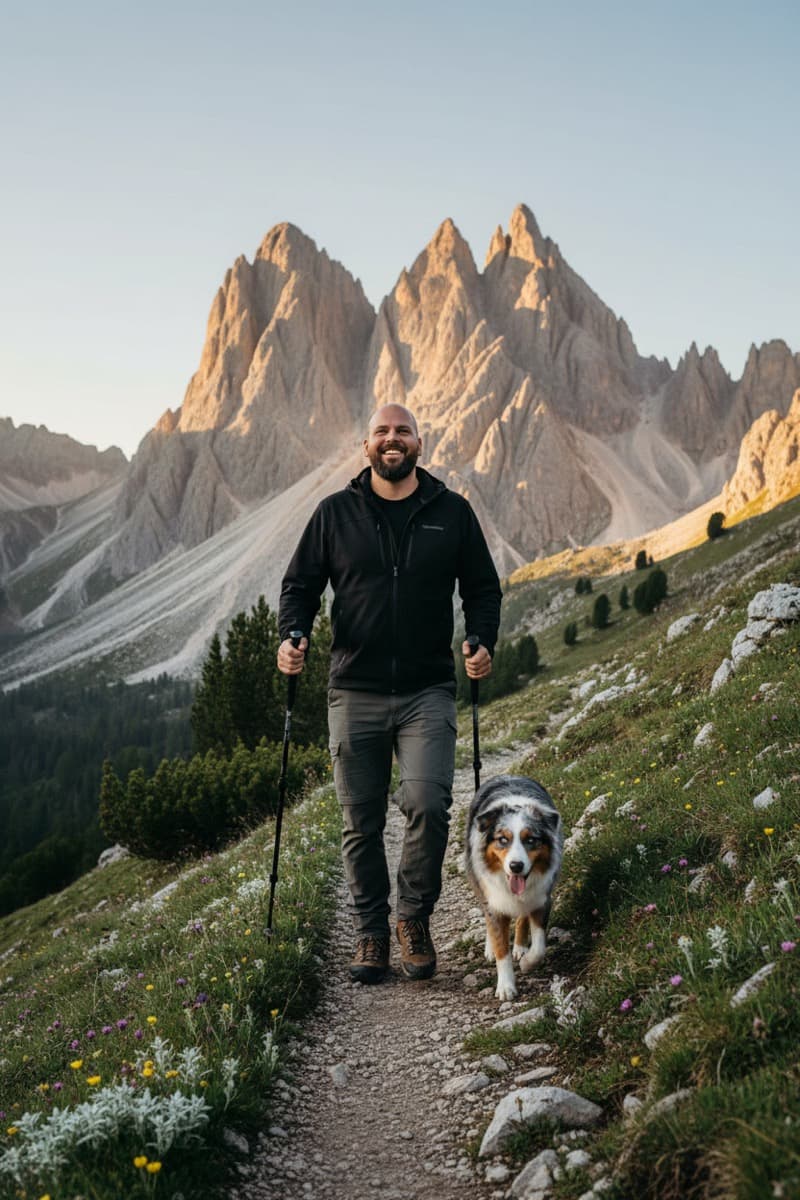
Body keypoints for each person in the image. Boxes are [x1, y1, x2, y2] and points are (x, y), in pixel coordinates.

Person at [277, 403, 501, 984]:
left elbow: (482, 588)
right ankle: (372, 931)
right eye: (381, 431)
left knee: (428, 802)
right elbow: (299, 585)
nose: (391, 439)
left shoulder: (451, 512)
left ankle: (413, 918)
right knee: (361, 820)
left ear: (420, 444)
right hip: (354, 689)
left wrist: (481, 640)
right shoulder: (335, 514)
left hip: (428, 690)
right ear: (367, 446)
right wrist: (291, 636)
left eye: (402, 431)